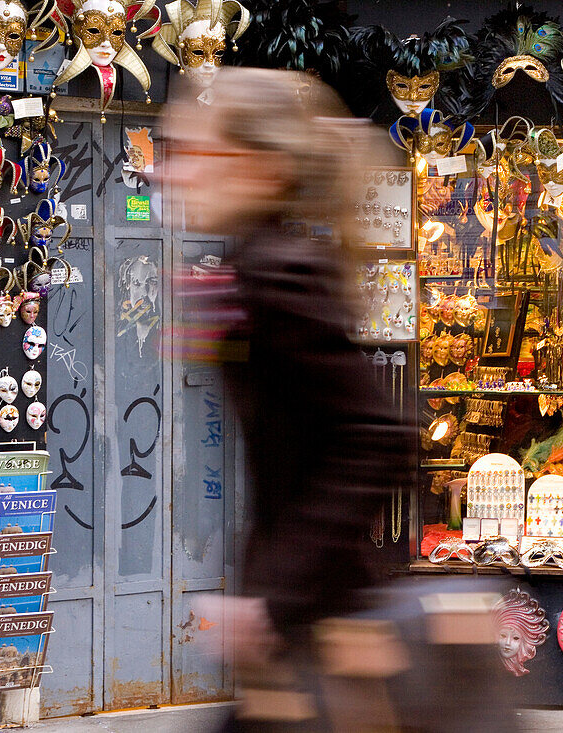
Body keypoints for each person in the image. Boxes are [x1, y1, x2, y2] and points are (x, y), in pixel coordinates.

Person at [161, 68, 426, 730]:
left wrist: (272, 599)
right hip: (302, 625)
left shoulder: (279, 270)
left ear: (258, 168)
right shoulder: (259, 264)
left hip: (319, 622)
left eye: (193, 155)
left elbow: (375, 437)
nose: (172, 176)